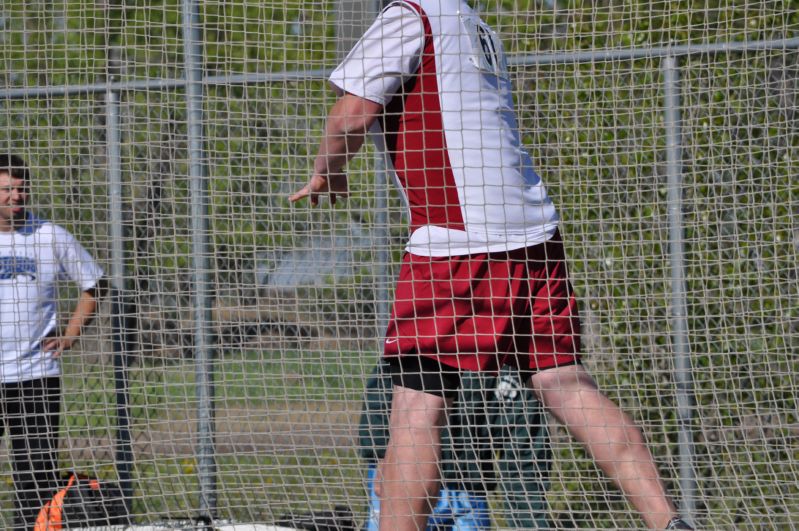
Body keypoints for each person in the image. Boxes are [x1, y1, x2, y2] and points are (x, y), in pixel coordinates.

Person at [289, 0, 694, 528]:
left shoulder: (412, 15)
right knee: (563, 382)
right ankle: (670, 521)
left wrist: (326, 170)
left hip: (457, 243)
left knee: (417, 409)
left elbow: (352, 115)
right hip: (535, 238)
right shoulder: (474, 24)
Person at [0, 155, 105, 530]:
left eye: (21, 188)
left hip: (35, 374)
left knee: (35, 471)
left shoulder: (50, 236)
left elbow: (95, 286)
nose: (16, 196)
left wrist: (71, 335)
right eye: (7, 189)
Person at [360, 360, 552, 530]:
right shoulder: (420, 337)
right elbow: (379, 395)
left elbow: (525, 459)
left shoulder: (513, 371)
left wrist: (530, 523)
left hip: (468, 487)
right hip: (404, 475)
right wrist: (380, 456)